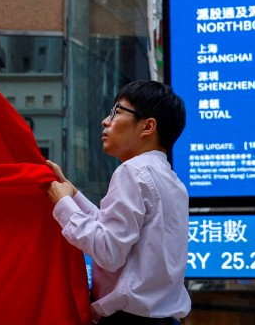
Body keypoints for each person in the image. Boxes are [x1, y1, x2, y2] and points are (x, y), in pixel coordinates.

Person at [47, 80, 190, 325]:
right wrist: (73, 195)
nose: (106, 120)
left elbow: (109, 250)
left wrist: (63, 206)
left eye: (117, 112)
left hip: (128, 320)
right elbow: (118, 232)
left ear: (148, 126)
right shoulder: (171, 180)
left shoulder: (132, 171)